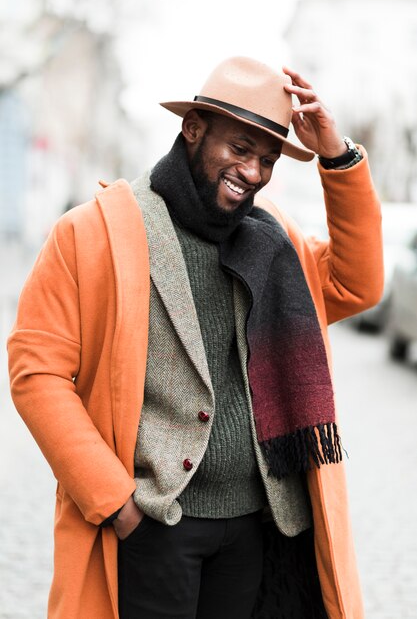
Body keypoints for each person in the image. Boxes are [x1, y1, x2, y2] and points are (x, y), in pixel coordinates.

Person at [8, 56, 383, 619]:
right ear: (193, 129)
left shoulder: (274, 242)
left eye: (267, 159)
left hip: (256, 529)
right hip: (151, 526)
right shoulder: (91, 233)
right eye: (239, 149)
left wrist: (338, 156)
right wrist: (116, 504)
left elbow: (358, 283)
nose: (253, 172)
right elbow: (37, 374)